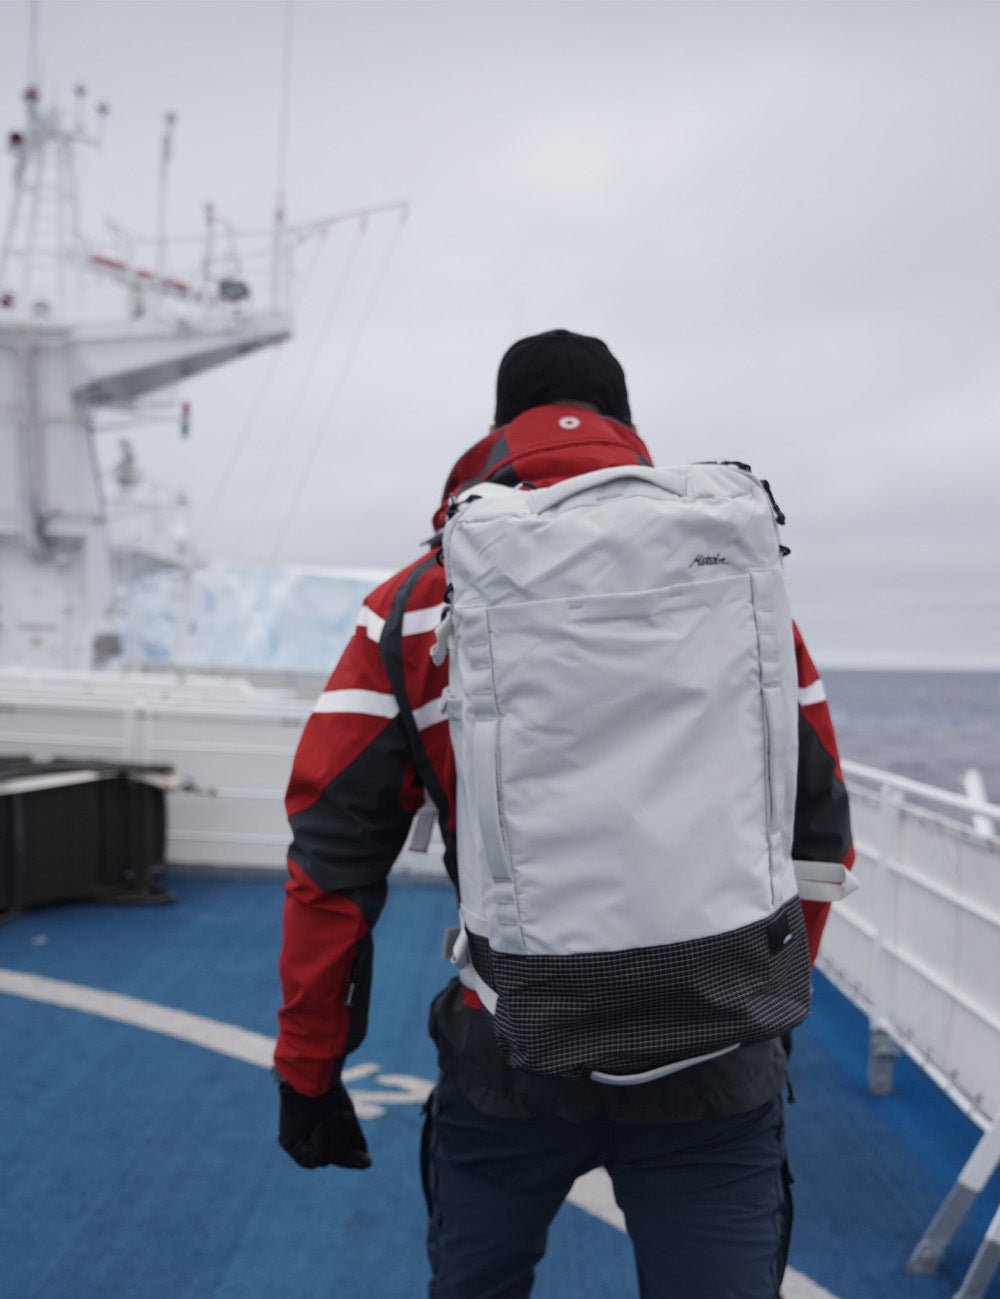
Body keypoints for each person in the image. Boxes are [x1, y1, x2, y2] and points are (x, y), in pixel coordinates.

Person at [274, 329, 854, 1299]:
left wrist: (309, 1067)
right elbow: (820, 833)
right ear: (625, 428)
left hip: (508, 1050)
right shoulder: (733, 588)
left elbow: (332, 860)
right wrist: (762, 1002)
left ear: (502, 429)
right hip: (718, 1059)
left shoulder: (415, 605)